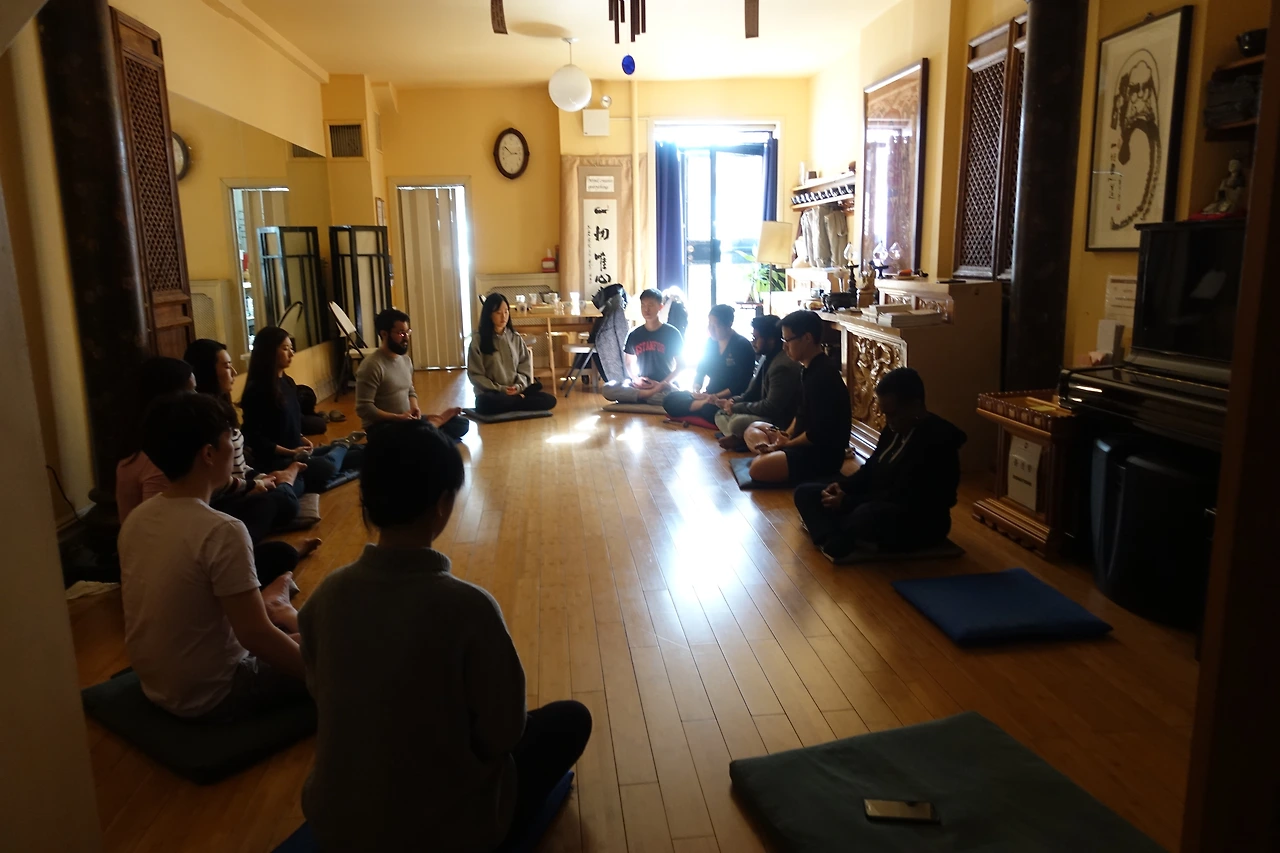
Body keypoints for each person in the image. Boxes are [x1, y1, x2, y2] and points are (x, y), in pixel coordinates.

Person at [299, 420, 592, 851]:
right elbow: (503, 734)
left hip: (333, 823)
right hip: (445, 834)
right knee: (570, 719)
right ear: (442, 504)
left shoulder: (325, 596)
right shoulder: (469, 607)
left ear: (366, 500)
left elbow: (320, 693)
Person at [118, 392, 308, 720]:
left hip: (157, 684)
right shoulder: (223, 530)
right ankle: (280, 609)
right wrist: (322, 673)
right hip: (216, 693)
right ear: (208, 454)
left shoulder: (137, 518)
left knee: (311, 638)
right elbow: (256, 637)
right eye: (229, 438)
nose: (234, 448)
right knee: (341, 650)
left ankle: (278, 608)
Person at [794, 368, 965, 558]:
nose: (888, 421)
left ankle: (838, 533)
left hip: (918, 517)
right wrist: (842, 486)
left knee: (865, 515)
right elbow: (870, 469)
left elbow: (905, 496)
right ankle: (838, 536)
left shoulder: (938, 441)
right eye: (885, 414)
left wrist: (847, 502)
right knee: (804, 493)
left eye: (893, 414)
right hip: (875, 499)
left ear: (915, 406)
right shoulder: (893, 429)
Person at [185, 338, 317, 548]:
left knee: (311, 469)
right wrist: (256, 484)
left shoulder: (223, 408)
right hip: (227, 497)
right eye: (227, 366)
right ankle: (290, 478)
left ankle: (297, 473)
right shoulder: (203, 417)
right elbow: (217, 482)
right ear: (206, 372)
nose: (234, 372)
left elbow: (240, 465)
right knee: (288, 498)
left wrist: (261, 478)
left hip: (246, 483)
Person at [240, 326, 364, 493]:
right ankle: (343, 444)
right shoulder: (256, 391)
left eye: (291, 348)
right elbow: (255, 439)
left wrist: (302, 438)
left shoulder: (288, 382)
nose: (291, 354)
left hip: (299, 452)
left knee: (362, 452)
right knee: (327, 467)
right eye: (285, 349)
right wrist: (290, 452)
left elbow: (293, 421)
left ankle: (338, 450)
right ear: (269, 352)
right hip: (279, 460)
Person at [747, 310, 850, 484]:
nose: (784, 347)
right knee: (754, 427)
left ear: (807, 338)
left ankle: (771, 457)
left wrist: (785, 445)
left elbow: (816, 434)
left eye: (787, 340)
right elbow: (801, 414)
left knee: (756, 468)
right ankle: (772, 455)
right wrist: (784, 436)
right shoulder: (808, 368)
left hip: (820, 455)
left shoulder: (823, 375)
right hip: (798, 442)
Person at [355, 308, 469, 441]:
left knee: (461, 424)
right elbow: (364, 408)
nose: (406, 338)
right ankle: (431, 428)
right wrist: (397, 417)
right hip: (383, 427)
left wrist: (415, 407)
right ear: (384, 334)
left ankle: (429, 429)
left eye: (408, 332)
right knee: (413, 435)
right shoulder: (372, 365)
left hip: (406, 421)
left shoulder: (406, 360)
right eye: (401, 333)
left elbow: (410, 390)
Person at [711, 314, 802, 450]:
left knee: (736, 423)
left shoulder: (782, 366)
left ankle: (745, 439)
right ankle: (744, 438)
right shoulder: (765, 357)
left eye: (756, 338)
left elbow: (771, 408)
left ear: (771, 340)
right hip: (761, 413)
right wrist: (732, 402)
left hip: (777, 420)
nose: (753, 342)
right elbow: (751, 392)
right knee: (720, 414)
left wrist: (736, 408)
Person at [467, 293, 557, 415]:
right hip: (493, 393)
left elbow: (524, 368)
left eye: (506, 312)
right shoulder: (478, 340)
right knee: (484, 403)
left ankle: (514, 401)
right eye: (498, 313)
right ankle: (518, 401)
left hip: (516, 390)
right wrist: (501, 389)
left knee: (549, 400)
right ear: (489, 314)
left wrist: (518, 386)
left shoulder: (515, 338)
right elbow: (476, 375)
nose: (503, 316)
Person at [663, 303, 755, 421]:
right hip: (709, 394)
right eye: (709, 324)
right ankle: (701, 406)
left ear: (729, 324)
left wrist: (715, 397)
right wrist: (697, 390)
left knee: (709, 410)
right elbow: (701, 370)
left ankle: (699, 407)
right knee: (669, 399)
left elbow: (741, 384)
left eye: (716, 325)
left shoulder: (742, 345)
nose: (711, 329)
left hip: (728, 399)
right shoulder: (710, 343)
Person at [600, 288, 683, 406]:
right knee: (607, 388)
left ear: (660, 307)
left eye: (650, 305)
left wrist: (662, 384)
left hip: (664, 384)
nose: (646, 309)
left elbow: (681, 365)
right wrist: (636, 379)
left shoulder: (672, 333)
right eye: (643, 305)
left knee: (676, 396)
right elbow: (629, 363)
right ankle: (649, 396)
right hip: (642, 385)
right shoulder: (634, 334)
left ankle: (642, 397)